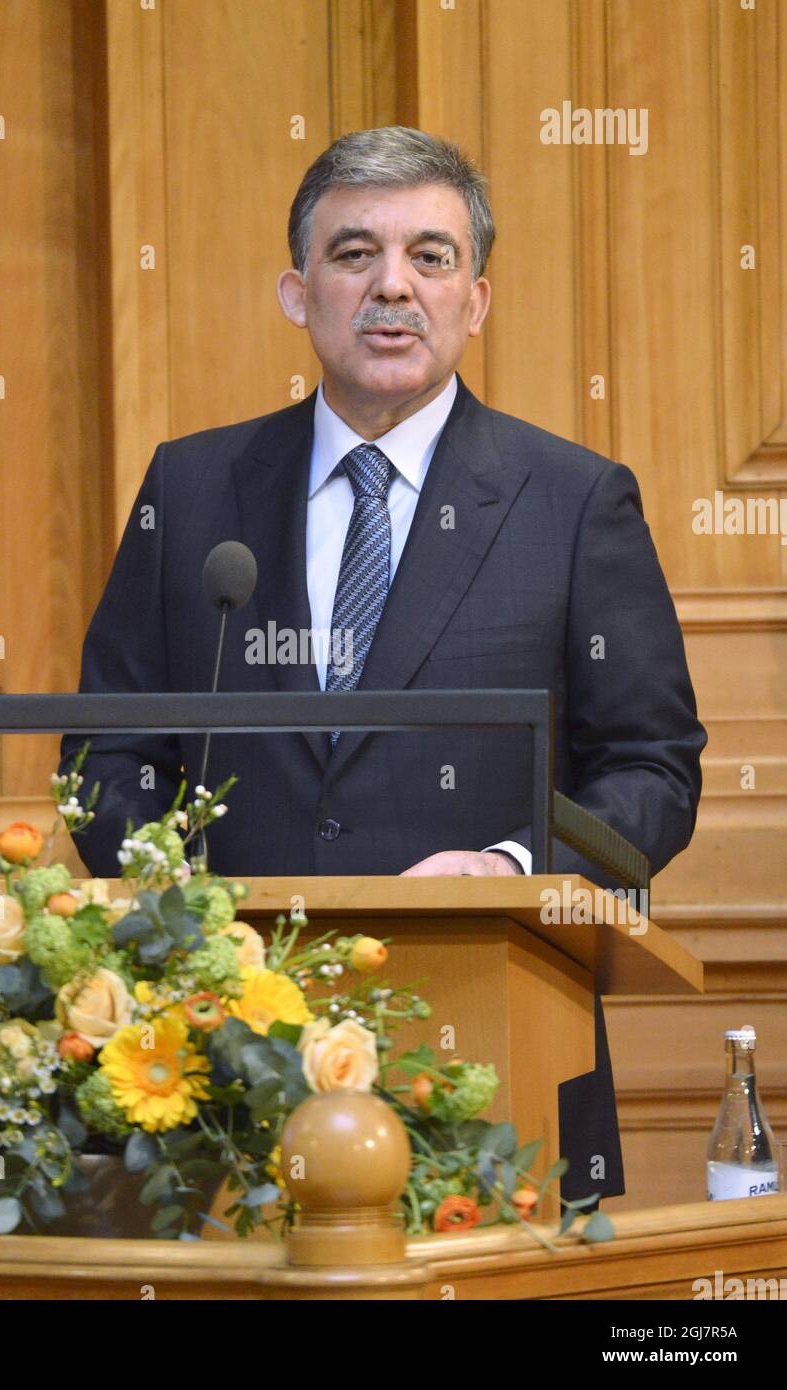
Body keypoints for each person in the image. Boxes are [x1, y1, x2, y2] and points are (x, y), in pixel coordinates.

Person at [60, 127, 707, 1203]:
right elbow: (107, 751)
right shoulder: (193, 487)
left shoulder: (574, 499)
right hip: (219, 1065)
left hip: (493, 1051)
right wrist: (190, 918)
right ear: (297, 291)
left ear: (478, 298)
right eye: (355, 253)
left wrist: (513, 869)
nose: (392, 287)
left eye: (431, 256)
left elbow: (652, 771)